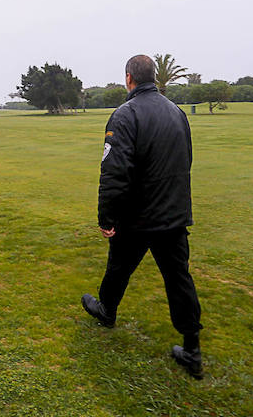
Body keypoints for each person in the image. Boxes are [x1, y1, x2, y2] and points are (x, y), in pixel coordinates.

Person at [81, 54, 203, 379]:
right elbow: (186, 160)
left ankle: (107, 311)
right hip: (174, 216)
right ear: (153, 77)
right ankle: (192, 349)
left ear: (129, 79)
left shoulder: (125, 115)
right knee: (179, 281)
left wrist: (106, 217)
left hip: (138, 217)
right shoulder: (177, 113)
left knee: (119, 267)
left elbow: (113, 173)